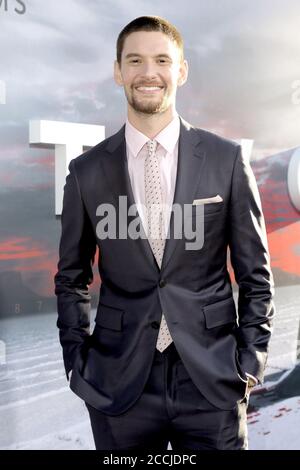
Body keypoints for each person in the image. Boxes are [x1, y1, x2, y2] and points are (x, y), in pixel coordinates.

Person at [54, 15, 275, 451]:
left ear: (181, 70)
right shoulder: (86, 172)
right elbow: (70, 278)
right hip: (119, 386)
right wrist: (77, 364)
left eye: (161, 60)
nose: (148, 72)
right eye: (134, 60)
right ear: (118, 71)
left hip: (211, 378)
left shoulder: (226, 160)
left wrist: (250, 362)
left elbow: (256, 275)